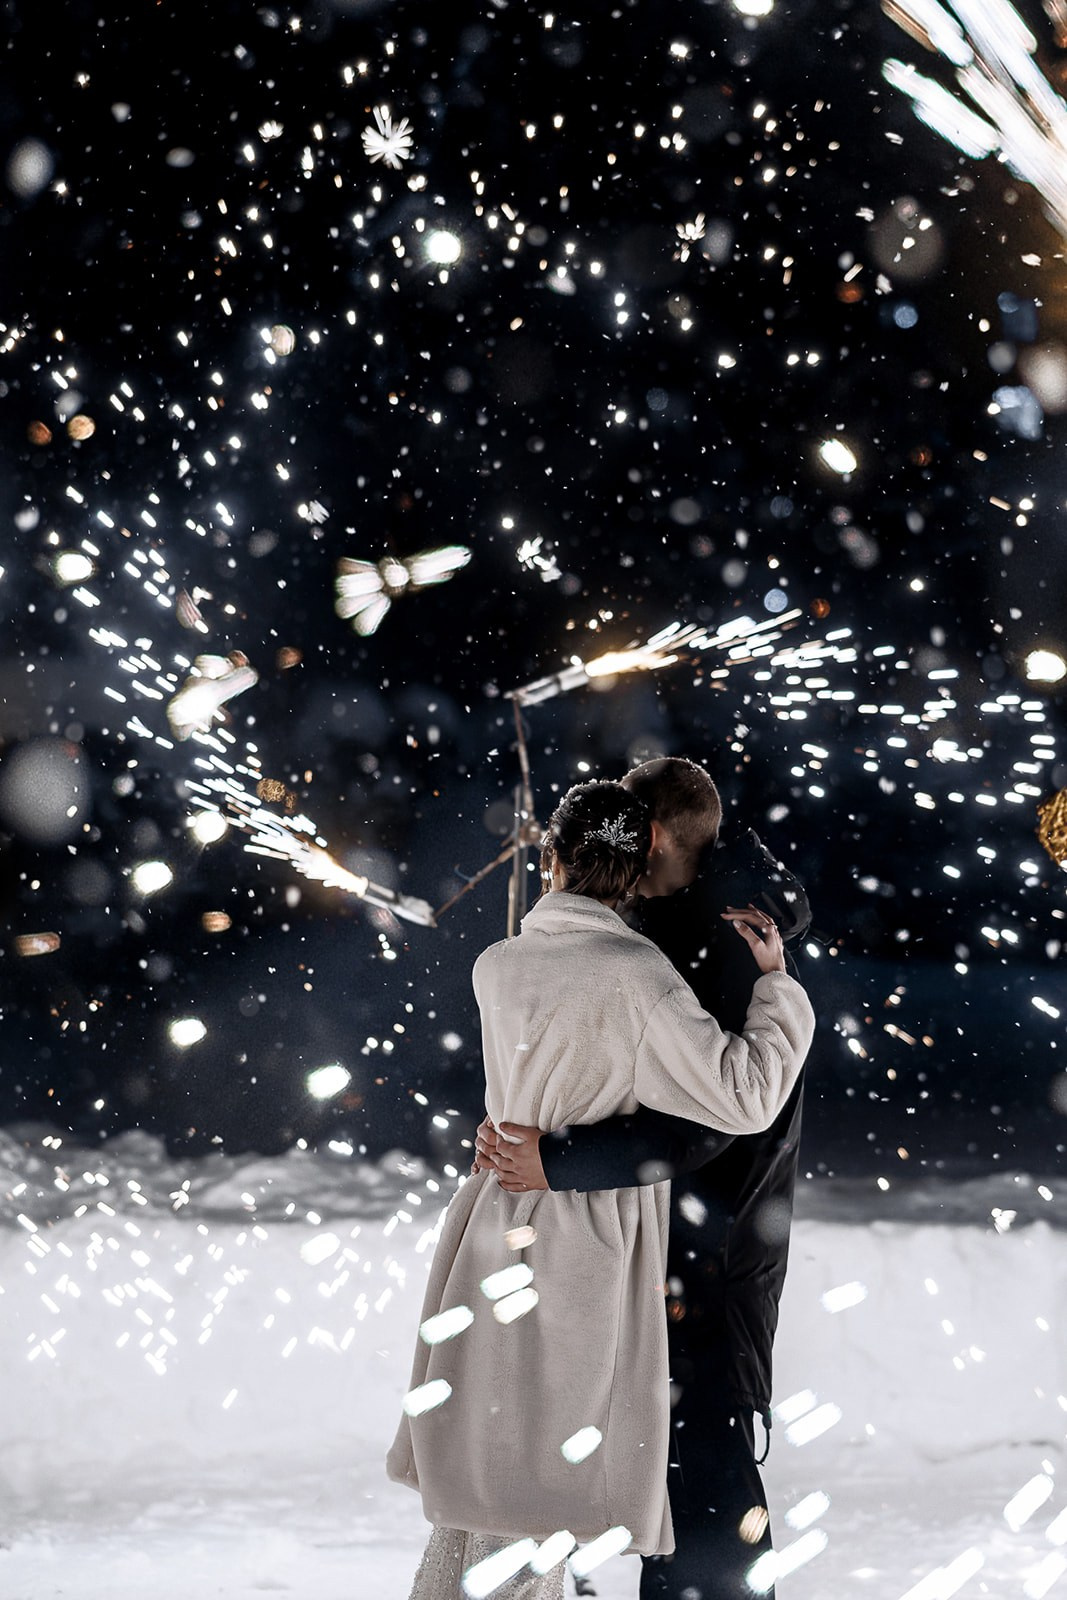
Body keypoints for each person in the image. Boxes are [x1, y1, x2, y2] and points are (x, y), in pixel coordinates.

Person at [387, 778, 814, 1600]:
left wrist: (528, 1136)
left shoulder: (496, 964)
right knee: (551, 1477)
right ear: (640, 855)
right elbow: (740, 1101)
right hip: (595, 1237)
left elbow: (540, 1080)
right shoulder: (642, 971)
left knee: (502, 1458)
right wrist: (779, 991)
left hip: (496, 1218)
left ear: (552, 855)